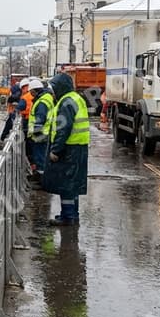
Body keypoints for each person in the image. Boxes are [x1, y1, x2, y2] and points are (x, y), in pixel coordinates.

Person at [42, 72, 90, 226]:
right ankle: (72, 215)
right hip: (78, 148)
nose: (53, 92)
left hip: (69, 150)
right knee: (73, 184)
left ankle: (68, 217)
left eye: (54, 88)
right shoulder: (76, 98)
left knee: (66, 185)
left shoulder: (66, 102)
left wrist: (55, 150)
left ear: (61, 87)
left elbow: (63, 129)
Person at [27, 78, 54, 180]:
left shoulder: (42, 102)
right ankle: (41, 177)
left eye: (31, 92)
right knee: (42, 157)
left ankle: (41, 180)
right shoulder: (46, 98)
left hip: (40, 134)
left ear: (34, 90)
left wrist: (35, 135)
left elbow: (40, 119)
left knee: (40, 158)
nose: (31, 94)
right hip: (44, 132)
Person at [0, 78, 25, 144]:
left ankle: (3, 139)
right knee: (11, 125)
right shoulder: (19, 94)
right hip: (14, 112)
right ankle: (5, 139)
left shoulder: (14, 94)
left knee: (9, 125)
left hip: (13, 112)